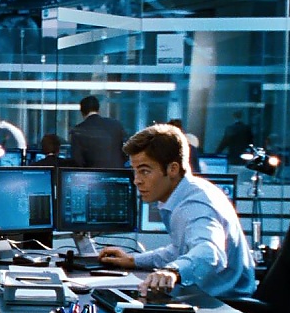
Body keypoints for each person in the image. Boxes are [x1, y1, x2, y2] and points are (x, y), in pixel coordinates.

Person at [97, 124, 256, 300]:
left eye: (144, 171)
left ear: (172, 169)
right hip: (208, 296)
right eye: (135, 171)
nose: (137, 181)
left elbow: (210, 252)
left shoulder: (194, 204)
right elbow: (180, 251)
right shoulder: (186, 194)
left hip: (225, 304)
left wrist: (173, 271)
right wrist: (133, 260)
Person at [69, 95, 127, 168]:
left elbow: (77, 160)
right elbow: (127, 150)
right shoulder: (116, 125)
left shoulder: (78, 130)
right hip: (117, 172)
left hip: (92, 173)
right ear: (98, 109)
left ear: (82, 111)